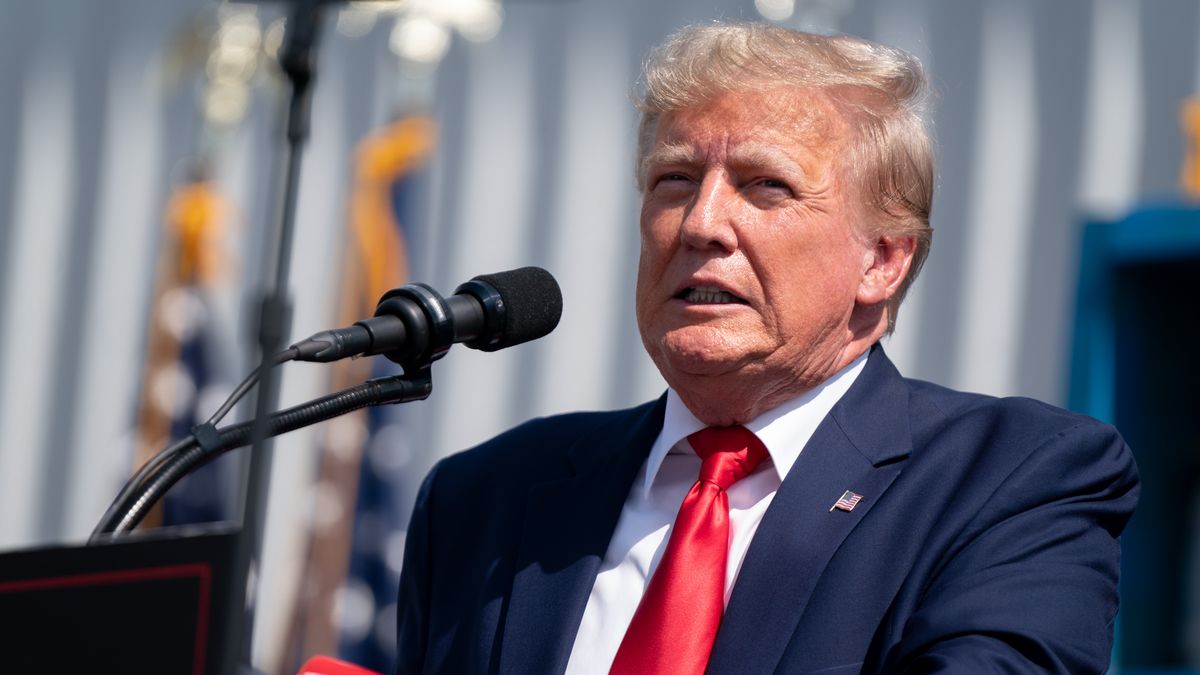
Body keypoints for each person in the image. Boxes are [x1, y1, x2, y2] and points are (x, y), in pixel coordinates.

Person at [395, 22, 1139, 674]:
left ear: (882, 259)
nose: (700, 223)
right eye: (674, 180)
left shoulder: (1013, 479)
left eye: (766, 187)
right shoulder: (484, 499)